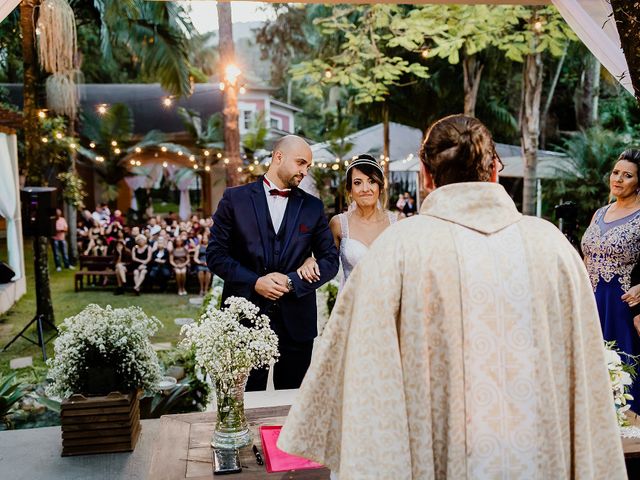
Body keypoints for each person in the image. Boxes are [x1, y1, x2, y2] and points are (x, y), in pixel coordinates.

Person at [278, 115, 625, 479]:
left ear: (426, 176)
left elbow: (365, 384)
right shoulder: (552, 246)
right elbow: (588, 388)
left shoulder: (397, 249)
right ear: (494, 171)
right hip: (541, 458)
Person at [207, 135, 339, 391]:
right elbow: (216, 255)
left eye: (308, 167)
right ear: (278, 157)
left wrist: (293, 282)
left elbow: (330, 260)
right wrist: (254, 282)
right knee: (244, 399)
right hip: (245, 320)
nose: (305, 171)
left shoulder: (312, 207)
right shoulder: (235, 199)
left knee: (291, 404)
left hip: (296, 323)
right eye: (301, 163)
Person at [582, 148, 640, 409]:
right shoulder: (599, 213)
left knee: (623, 379)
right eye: (616, 172)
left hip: (622, 309)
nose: (618, 179)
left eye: (627, 175)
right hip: (590, 304)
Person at [298, 154, 396, 289]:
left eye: (371, 181)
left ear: (380, 188)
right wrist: (309, 260)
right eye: (357, 183)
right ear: (350, 190)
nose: (365, 189)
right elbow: (326, 260)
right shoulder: (339, 224)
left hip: (390, 303)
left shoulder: (397, 223)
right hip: (352, 305)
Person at [193, 230, 211, 296]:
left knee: (208, 272)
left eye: (205, 238)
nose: (204, 240)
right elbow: (195, 258)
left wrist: (208, 262)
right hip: (200, 263)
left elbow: (212, 257)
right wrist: (200, 262)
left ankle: (206, 289)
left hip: (208, 263)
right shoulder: (199, 246)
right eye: (203, 238)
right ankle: (201, 289)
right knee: (201, 271)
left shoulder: (211, 246)